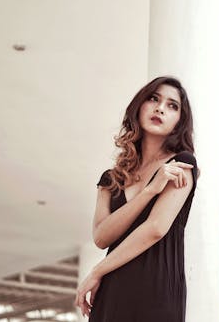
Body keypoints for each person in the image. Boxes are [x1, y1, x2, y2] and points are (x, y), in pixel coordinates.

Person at [74, 76, 199, 322]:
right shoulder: (111, 179)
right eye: (153, 99)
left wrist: (96, 272)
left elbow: (155, 228)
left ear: (178, 122)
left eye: (172, 105)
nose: (160, 108)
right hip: (112, 290)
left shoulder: (182, 164)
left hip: (156, 291)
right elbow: (101, 237)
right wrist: (150, 190)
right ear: (138, 107)